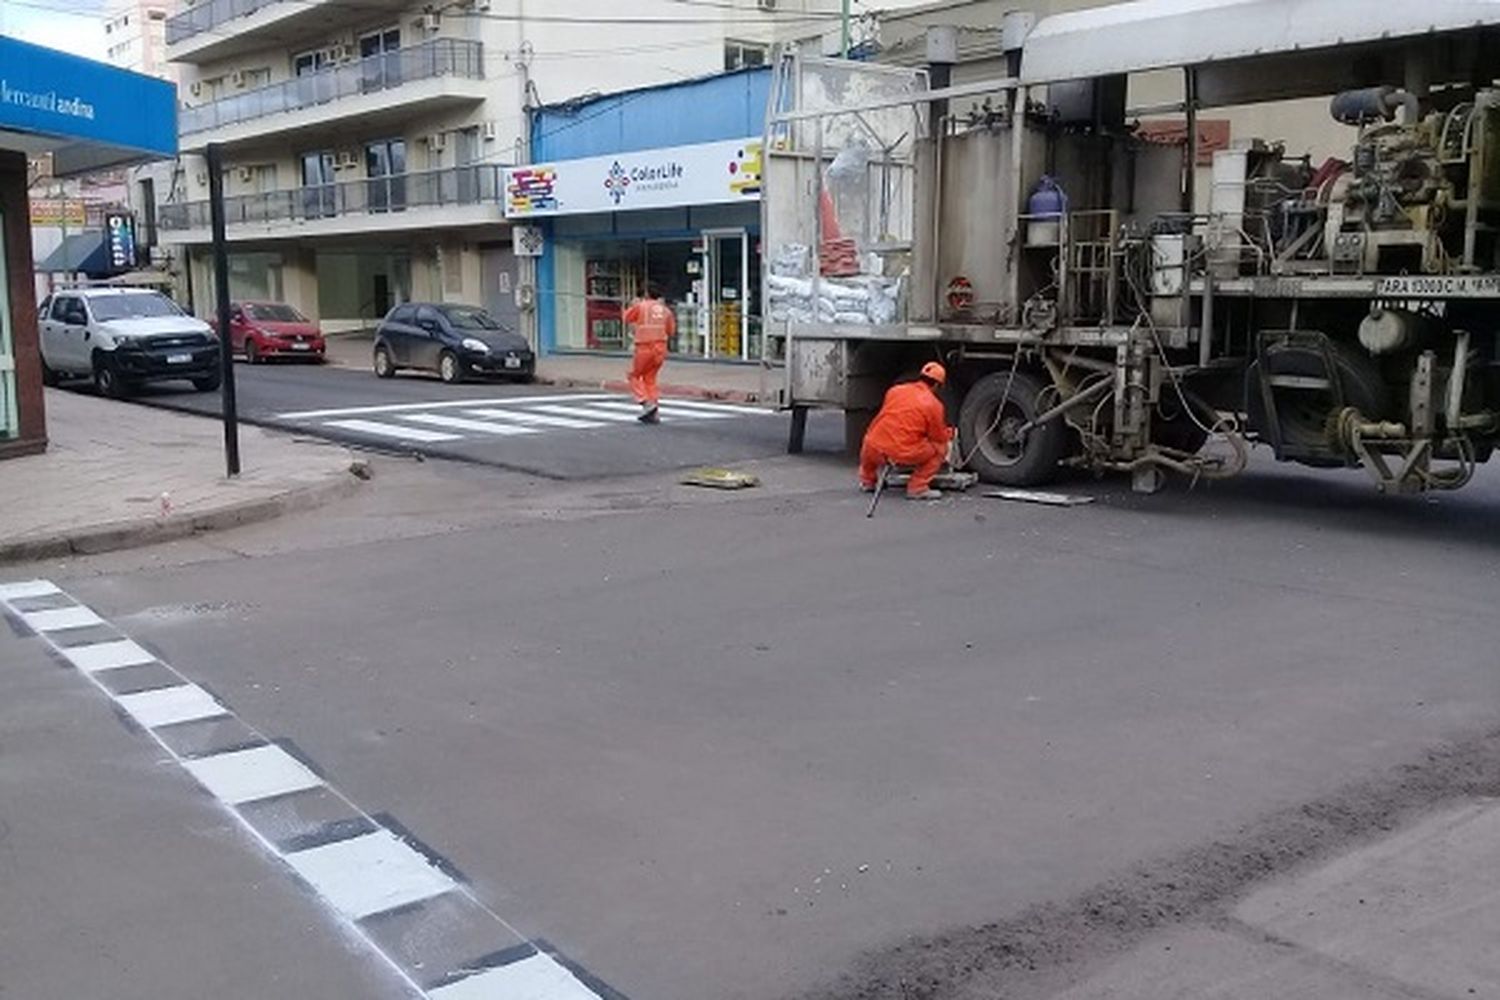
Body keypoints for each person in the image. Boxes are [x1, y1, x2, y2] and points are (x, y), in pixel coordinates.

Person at [859, 361, 955, 501]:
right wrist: (949, 433)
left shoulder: (895, 390)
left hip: (872, 448)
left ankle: (868, 481)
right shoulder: (934, 405)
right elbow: (938, 437)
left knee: (872, 439)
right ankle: (918, 487)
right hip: (901, 452)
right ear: (937, 385)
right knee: (940, 449)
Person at [623, 287, 676, 424]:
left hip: (645, 347)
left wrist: (632, 305)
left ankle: (646, 403)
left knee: (634, 376)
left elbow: (627, 318)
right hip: (661, 348)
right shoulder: (666, 310)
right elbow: (671, 331)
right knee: (650, 379)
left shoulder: (641, 306)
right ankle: (655, 413)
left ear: (646, 294)